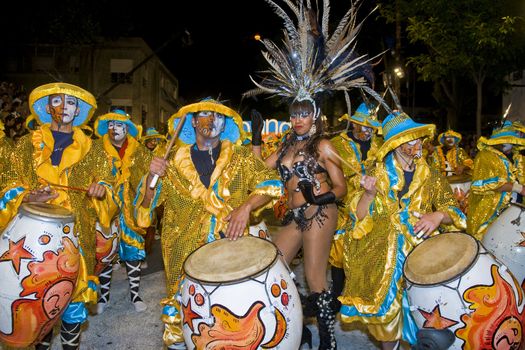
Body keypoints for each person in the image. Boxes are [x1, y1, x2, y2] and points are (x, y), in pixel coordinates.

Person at [136, 99, 281, 350]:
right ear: (192, 121)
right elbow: (147, 206)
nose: (211, 120)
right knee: (183, 322)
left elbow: (272, 185)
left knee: (228, 320)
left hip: (228, 251)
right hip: (182, 256)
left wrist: (246, 207)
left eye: (218, 116)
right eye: (203, 114)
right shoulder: (170, 162)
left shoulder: (242, 157)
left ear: (224, 124)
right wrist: (151, 175)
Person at [0, 82, 116, 349]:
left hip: (76, 236)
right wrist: (27, 196)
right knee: (35, 299)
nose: (64, 107)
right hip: (30, 239)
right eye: (57, 101)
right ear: (47, 108)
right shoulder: (26, 145)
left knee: (73, 300)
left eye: (71, 103)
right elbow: (6, 182)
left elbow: (110, 189)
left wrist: (101, 191)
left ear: (78, 111)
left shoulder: (95, 149)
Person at [339, 111, 466, 350]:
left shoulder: (430, 175)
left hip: (422, 253)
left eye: (417, 138)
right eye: (410, 139)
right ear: (395, 144)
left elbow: (452, 208)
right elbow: (358, 216)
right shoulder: (375, 173)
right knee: (388, 315)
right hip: (383, 256)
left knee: (426, 309)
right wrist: (368, 194)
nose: (417, 144)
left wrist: (437, 215)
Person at [93, 110, 152, 314]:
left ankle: (135, 295)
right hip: (105, 209)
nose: (114, 129)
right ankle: (103, 297)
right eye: (110, 125)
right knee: (107, 252)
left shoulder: (141, 151)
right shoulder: (96, 149)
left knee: (134, 251)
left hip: (131, 210)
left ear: (127, 129)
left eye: (118, 125)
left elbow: (148, 180)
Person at [328, 102, 382, 311]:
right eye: (362, 126)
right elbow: (327, 175)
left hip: (371, 207)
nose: (367, 130)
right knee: (339, 252)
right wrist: (351, 180)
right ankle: (336, 296)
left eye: (371, 127)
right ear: (352, 124)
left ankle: (364, 294)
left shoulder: (380, 145)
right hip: (343, 207)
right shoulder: (336, 145)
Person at [467, 121, 525, 240]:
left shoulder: (516, 157)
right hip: (491, 212)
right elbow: (480, 185)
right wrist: (518, 188)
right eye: (510, 140)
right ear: (500, 141)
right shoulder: (485, 156)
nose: (513, 144)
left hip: (515, 208)